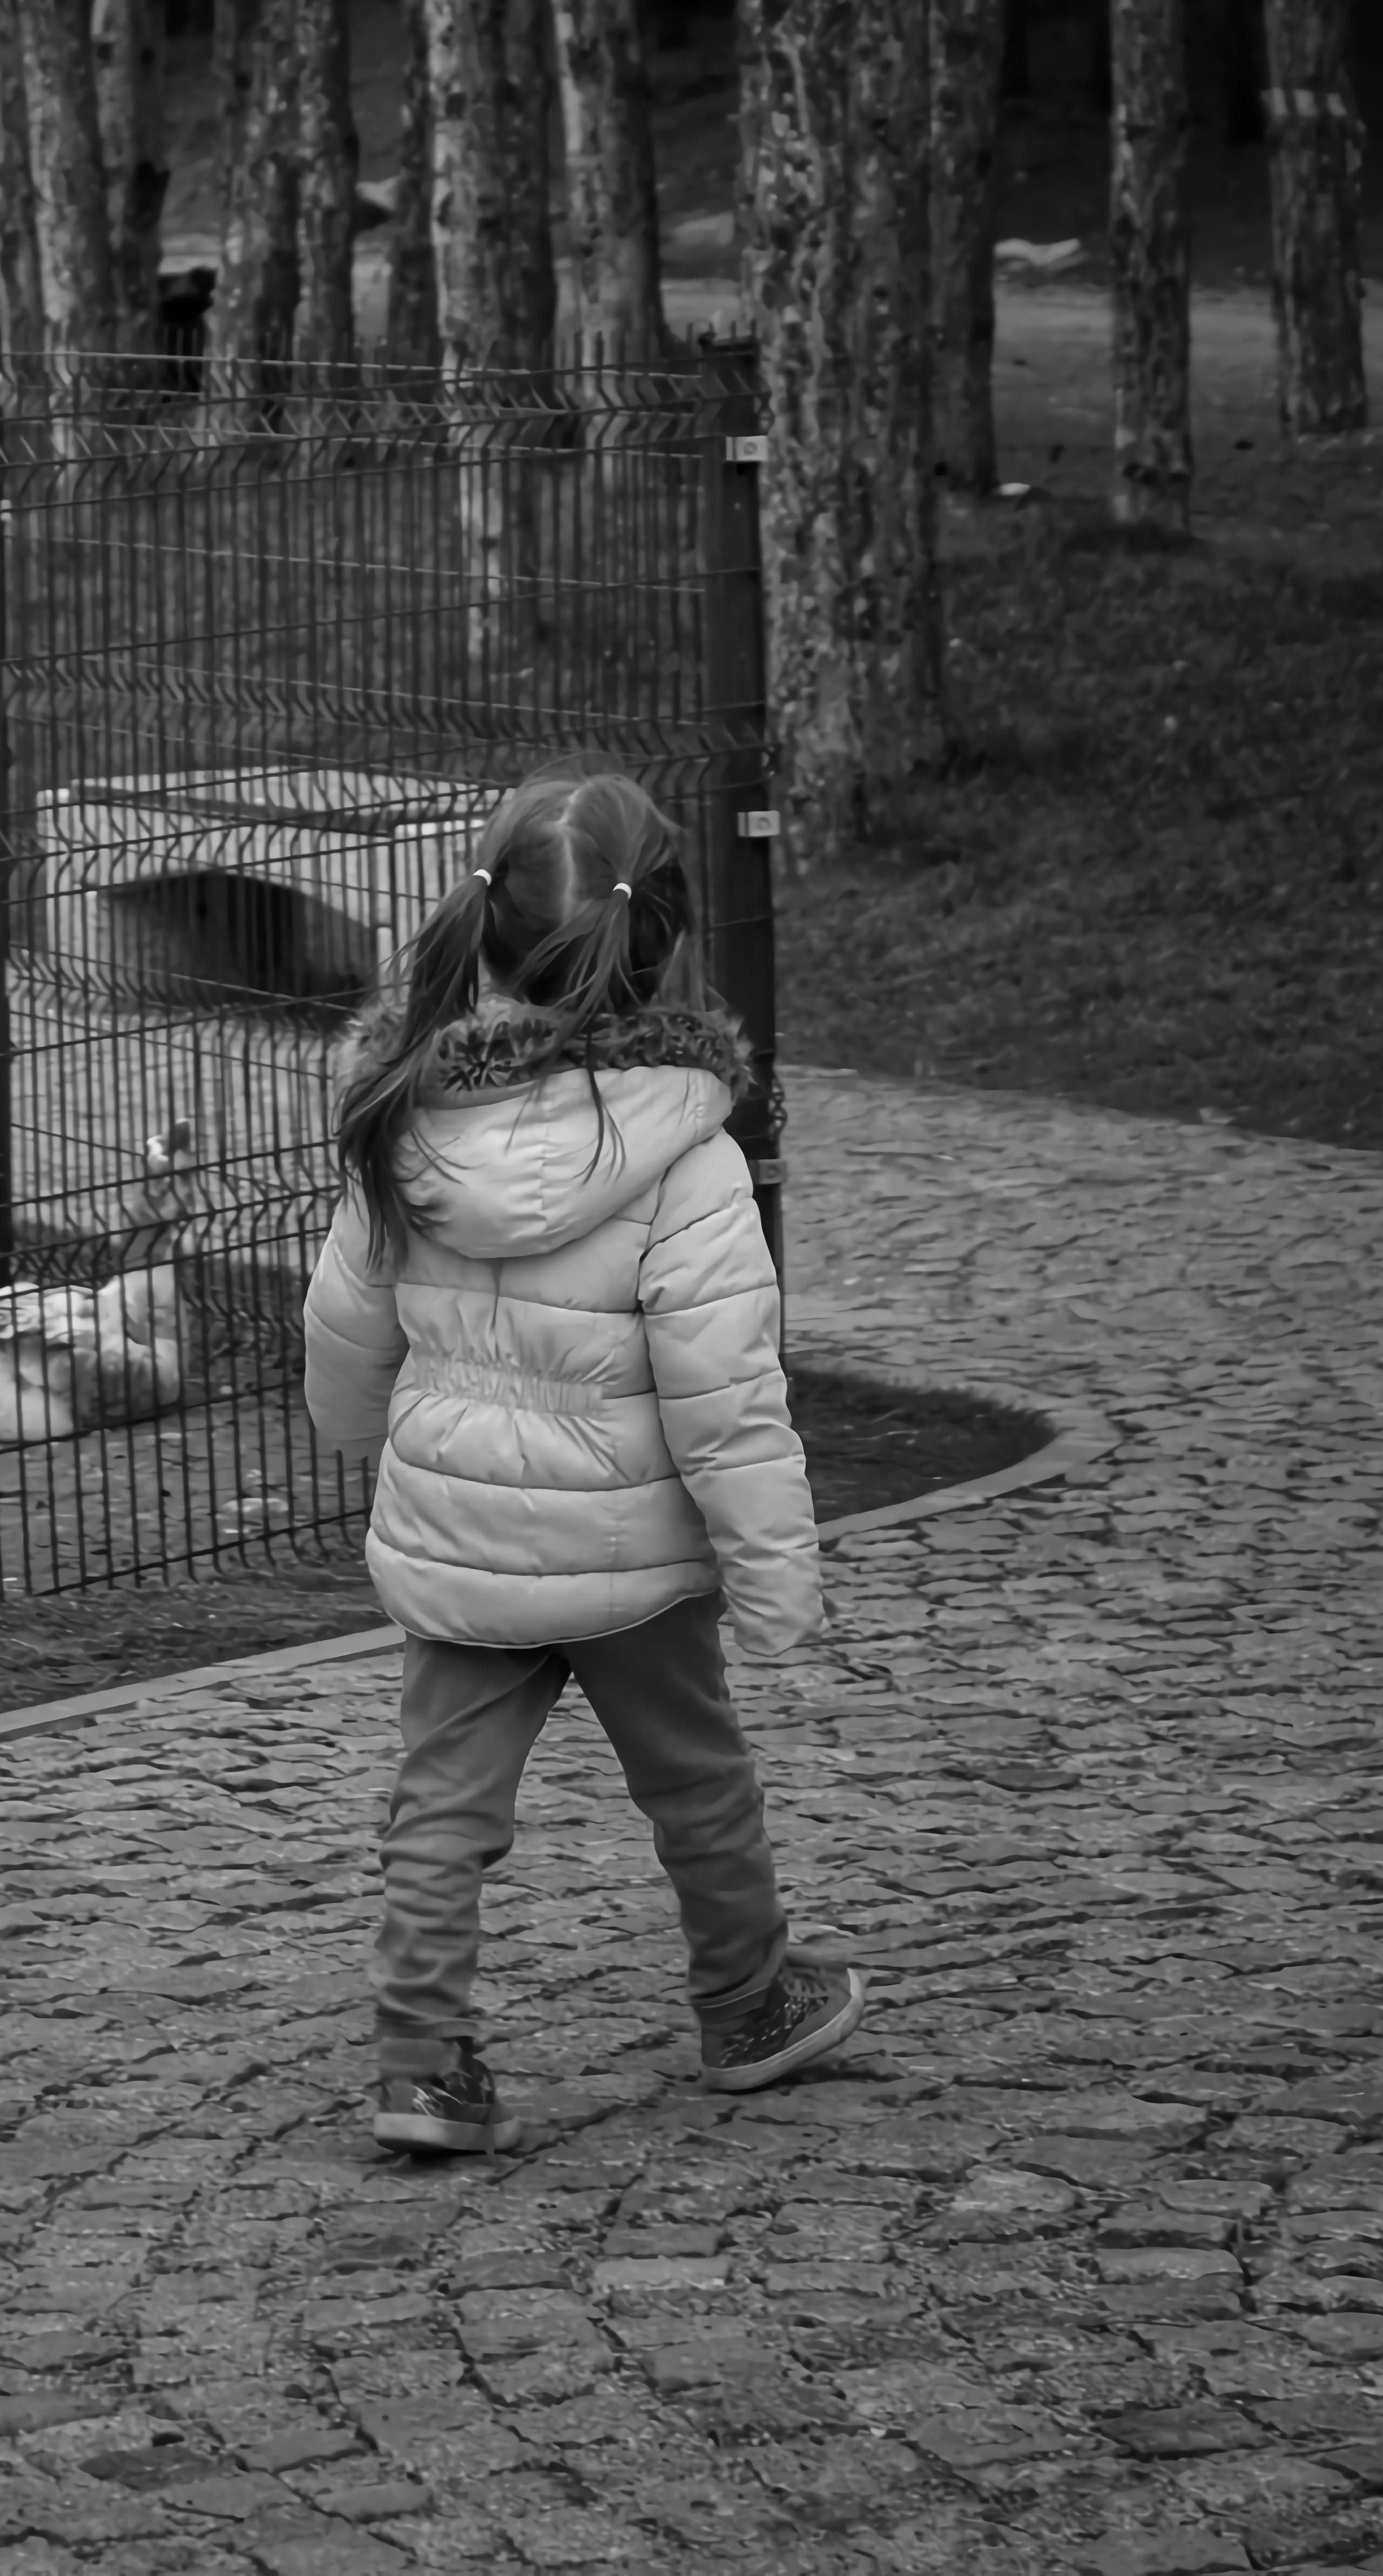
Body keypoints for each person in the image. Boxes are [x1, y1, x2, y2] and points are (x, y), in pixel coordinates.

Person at [304, 764, 864, 2156]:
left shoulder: (405, 1122)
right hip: (636, 1560)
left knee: (440, 1803)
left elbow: (343, 1319)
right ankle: (748, 2003)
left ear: (481, 927)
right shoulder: (687, 1149)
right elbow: (726, 1398)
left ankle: (420, 2064)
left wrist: (360, 1435)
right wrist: (778, 1576)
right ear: (662, 939)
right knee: (696, 1779)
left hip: (461, 1538)